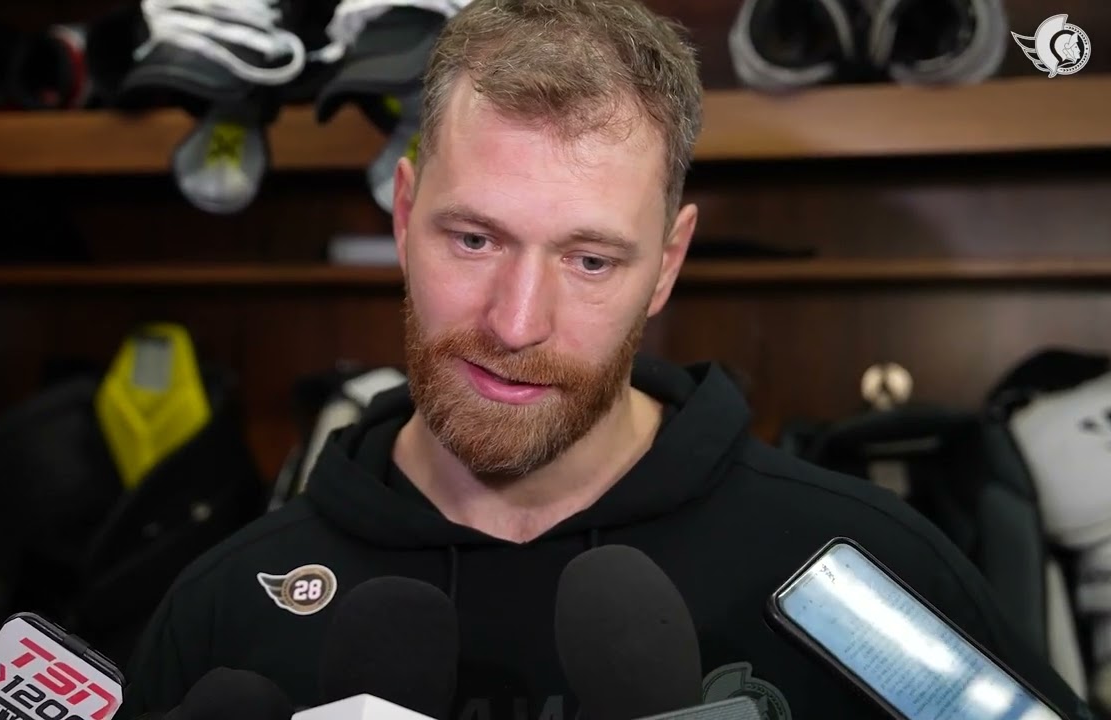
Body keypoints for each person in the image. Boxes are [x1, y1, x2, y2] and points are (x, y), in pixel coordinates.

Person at [110, 1, 1090, 719]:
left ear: (664, 265)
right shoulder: (229, 604)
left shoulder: (857, 575)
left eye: (588, 258)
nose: (516, 322)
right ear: (404, 216)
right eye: (474, 239)